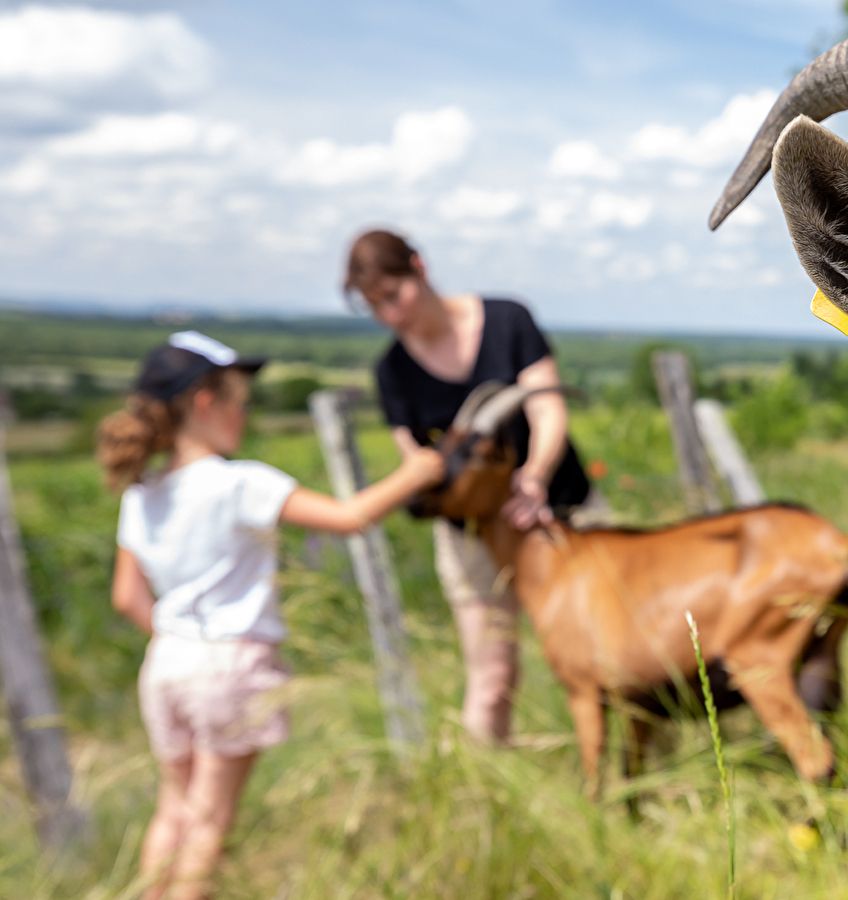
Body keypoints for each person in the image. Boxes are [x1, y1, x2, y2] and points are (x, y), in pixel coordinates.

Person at [98, 331, 444, 900]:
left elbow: (126, 597)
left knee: (174, 811)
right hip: (229, 663)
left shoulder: (144, 493)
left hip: (165, 663)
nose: (245, 414)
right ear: (206, 404)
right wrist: (418, 472)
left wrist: (178, 637)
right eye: (240, 401)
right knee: (210, 824)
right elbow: (349, 516)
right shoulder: (240, 483)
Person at [344, 229, 589, 745]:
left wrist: (535, 476)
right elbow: (420, 465)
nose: (391, 314)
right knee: (492, 678)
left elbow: (547, 406)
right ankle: (487, 797)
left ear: (419, 266)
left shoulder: (507, 320)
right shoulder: (392, 371)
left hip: (560, 508)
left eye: (394, 295)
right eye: (375, 306)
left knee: (611, 651)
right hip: (471, 535)